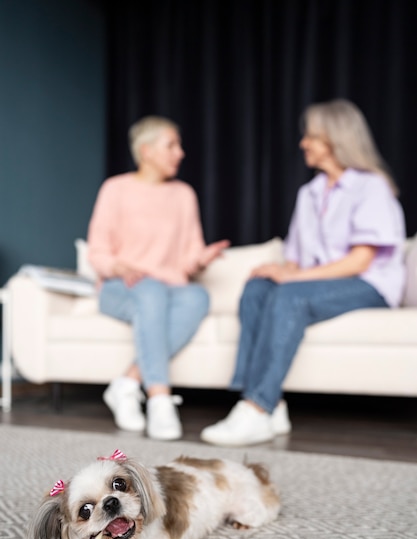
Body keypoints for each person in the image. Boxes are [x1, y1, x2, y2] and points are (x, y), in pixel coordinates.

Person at [200, 98, 406, 447]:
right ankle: (271, 404)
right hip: (317, 283)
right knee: (257, 287)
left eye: (310, 136)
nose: (303, 143)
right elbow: (297, 259)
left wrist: (292, 278)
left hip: (368, 284)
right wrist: (278, 269)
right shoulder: (308, 193)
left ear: (334, 139)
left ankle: (256, 405)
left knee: (288, 294)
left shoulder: (370, 187)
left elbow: (360, 261)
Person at [88, 115, 230, 440]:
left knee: (198, 296)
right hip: (119, 287)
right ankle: (160, 398)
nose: (180, 153)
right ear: (146, 150)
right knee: (150, 291)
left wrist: (201, 258)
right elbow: (98, 252)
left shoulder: (183, 195)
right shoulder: (116, 189)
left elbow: (187, 257)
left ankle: (127, 383)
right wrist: (119, 266)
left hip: (166, 288)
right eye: (172, 146)